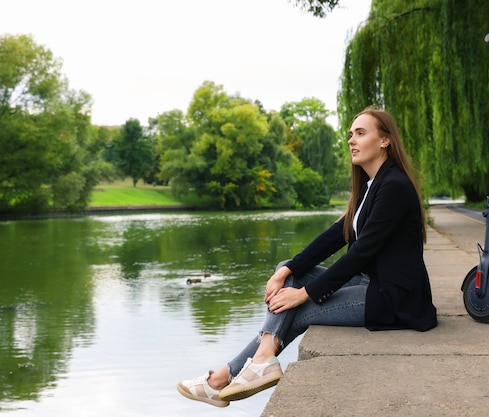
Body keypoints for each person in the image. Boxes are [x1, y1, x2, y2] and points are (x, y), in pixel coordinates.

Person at [176, 107, 438, 408]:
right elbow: (334, 235)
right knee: (287, 275)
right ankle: (253, 366)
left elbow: (362, 252)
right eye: (351, 134)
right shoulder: (371, 186)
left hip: (392, 297)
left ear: (385, 141)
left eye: (361, 133)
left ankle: (225, 377)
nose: (352, 140)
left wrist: (305, 293)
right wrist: (287, 268)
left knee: (295, 310)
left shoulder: (393, 186)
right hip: (368, 283)